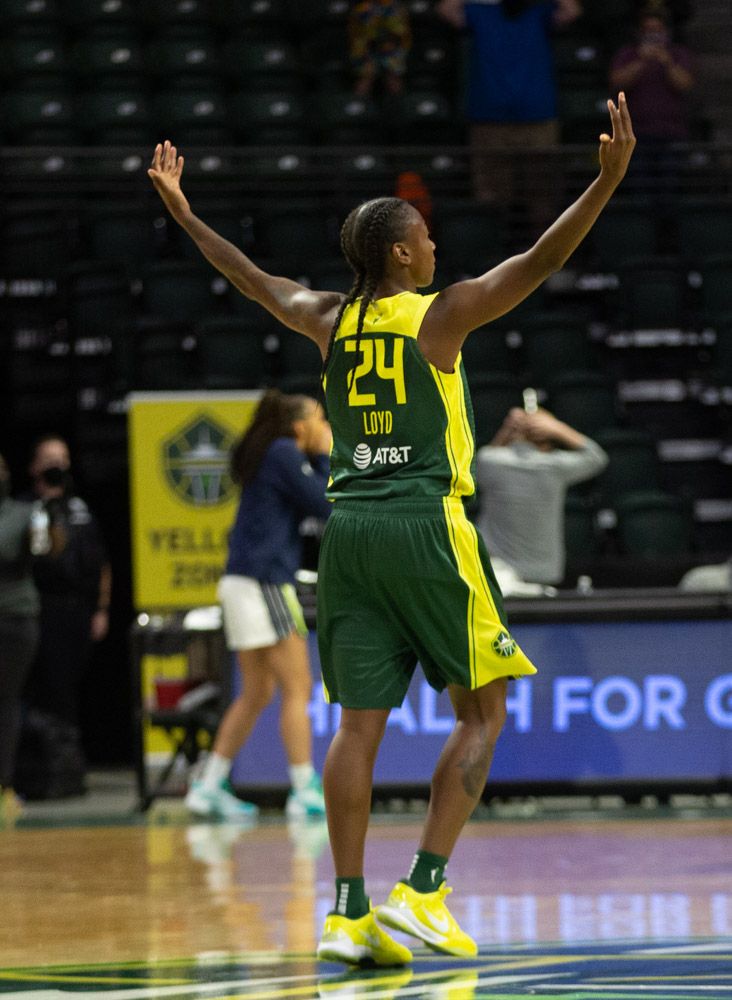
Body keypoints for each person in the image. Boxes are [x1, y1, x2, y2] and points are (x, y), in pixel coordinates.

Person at [148, 92, 635, 964]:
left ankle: (345, 911)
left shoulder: (331, 321)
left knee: (356, 727)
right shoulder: (439, 317)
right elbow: (542, 256)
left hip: (349, 535)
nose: (438, 246)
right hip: (425, 523)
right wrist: (604, 184)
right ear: (405, 253)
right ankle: (424, 891)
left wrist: (186, 214)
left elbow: (250, 277)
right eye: (428, 237)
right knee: (485, 707)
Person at [185, 390, 332, 821]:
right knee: (298, 688)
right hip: (264, 582)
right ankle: (304, 790)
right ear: (299, 426)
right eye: (320, 419)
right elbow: (325, 504)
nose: (325, 428)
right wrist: (323, 457)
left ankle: (209, 785)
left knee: (257, 692)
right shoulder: (286, 452)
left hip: (242, 581)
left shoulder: (273, 454)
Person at [437, 0, 582, 233]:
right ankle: (493, 258)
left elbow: (572, 10)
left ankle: (545, 260)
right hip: (489, 115)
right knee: (492, 197)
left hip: (538, 114)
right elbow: (446, 10)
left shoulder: (538, 11)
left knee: (543, 196)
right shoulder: (481, 11)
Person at [23, 435, 111, 736]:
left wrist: (101, 609)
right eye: (49, 459)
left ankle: (65, 754)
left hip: (79, 611)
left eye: (62, 459)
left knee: (71, 685)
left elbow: (101, 563)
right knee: (46, 685)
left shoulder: (80, 509)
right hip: (39, 609)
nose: (57, 465)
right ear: (34, 466)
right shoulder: (25, 509)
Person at [476, 406, 608, 593]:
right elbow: (596, 457)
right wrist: (557, 427)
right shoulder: (555, 466)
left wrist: (508, 429)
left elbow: (483, 458)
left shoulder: (493, 461)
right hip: (542, 575)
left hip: (492, 573)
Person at [0, 453, 63, 822]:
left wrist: (50, 519)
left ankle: (4, 785)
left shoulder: (22, 513)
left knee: (6, 702)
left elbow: (49, 550)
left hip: (14, 620)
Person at [609, 7, 694, 191]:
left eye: (657, 31)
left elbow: (685, 84)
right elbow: (617, 82)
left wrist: (666, 61)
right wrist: (641, 60)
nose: (653, 36)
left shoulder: (677, 54)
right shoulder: (629, 54)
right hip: (636, 134)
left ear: (666, 32)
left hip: (671, 132)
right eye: (648, 31)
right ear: (640, 33)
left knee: (669, 188)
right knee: (640, 188)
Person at [348, 0, 412, 98]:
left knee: (393, 78)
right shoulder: (363, 8)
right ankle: (357, 106)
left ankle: (401, 106)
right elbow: (358, 32)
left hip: (391, 47)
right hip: (366, 47)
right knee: (366, 78)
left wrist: (390, 43)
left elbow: (401, 32)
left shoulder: (396, 8)